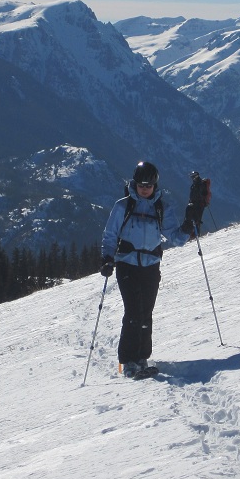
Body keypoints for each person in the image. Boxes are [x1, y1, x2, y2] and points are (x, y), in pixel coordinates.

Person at [100, 161, 205, 378]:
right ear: (135, 184)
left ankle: (141, 358)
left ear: (155, 185)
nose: (145, 188)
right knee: (132, 313)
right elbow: (110, 235)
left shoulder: (162, 209)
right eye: (141, 184)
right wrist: (108, 258)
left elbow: (174, 238)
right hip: (127, 265)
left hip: (150, 266)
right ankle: (127, 362)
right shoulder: (123, 207)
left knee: (146, 313)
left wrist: (187, 226)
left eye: (149, 185)